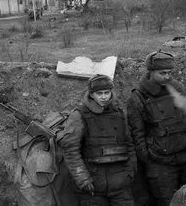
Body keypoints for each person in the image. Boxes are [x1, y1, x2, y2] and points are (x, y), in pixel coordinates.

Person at [127, 50, 186, 206]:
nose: (167, 77)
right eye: (162, 73)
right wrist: (149, 159)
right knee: (168, 201)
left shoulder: (178, 88)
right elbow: (137, 134)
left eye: (169, 72)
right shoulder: (137, 98)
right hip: (161, 162)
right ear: (150, 72)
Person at [58, 74, 137, 206]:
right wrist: (83, 179)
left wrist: (130, 173)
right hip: (93, 188)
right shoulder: (79, 115)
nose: (104, 97)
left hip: (120, 185)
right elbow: (70, 150)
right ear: (91, 94)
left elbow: (130, 145)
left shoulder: (119, 113)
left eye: (107, 92)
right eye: (99, 93)